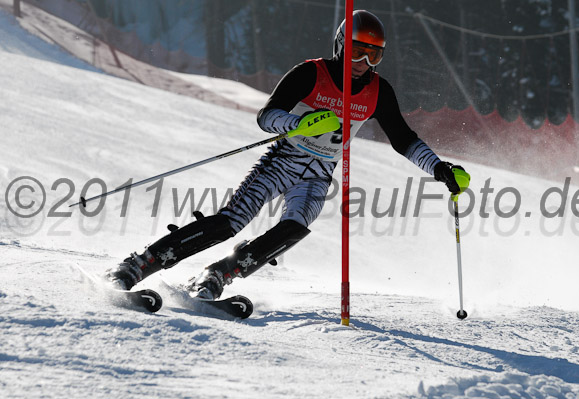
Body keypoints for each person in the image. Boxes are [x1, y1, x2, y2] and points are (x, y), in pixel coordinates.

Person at [105, 10, 469, 300]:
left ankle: (219, 274)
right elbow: (266, 116)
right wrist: (299, 123)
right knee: (228, 223)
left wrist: (440, 169)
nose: (364, 61)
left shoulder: (379, 91)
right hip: (282, 162)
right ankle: (140, 264)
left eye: (374, 54)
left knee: (294, 229)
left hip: (318, 175)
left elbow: (403, 138)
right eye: (358, 50)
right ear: (341, 44)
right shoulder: (311, 73)